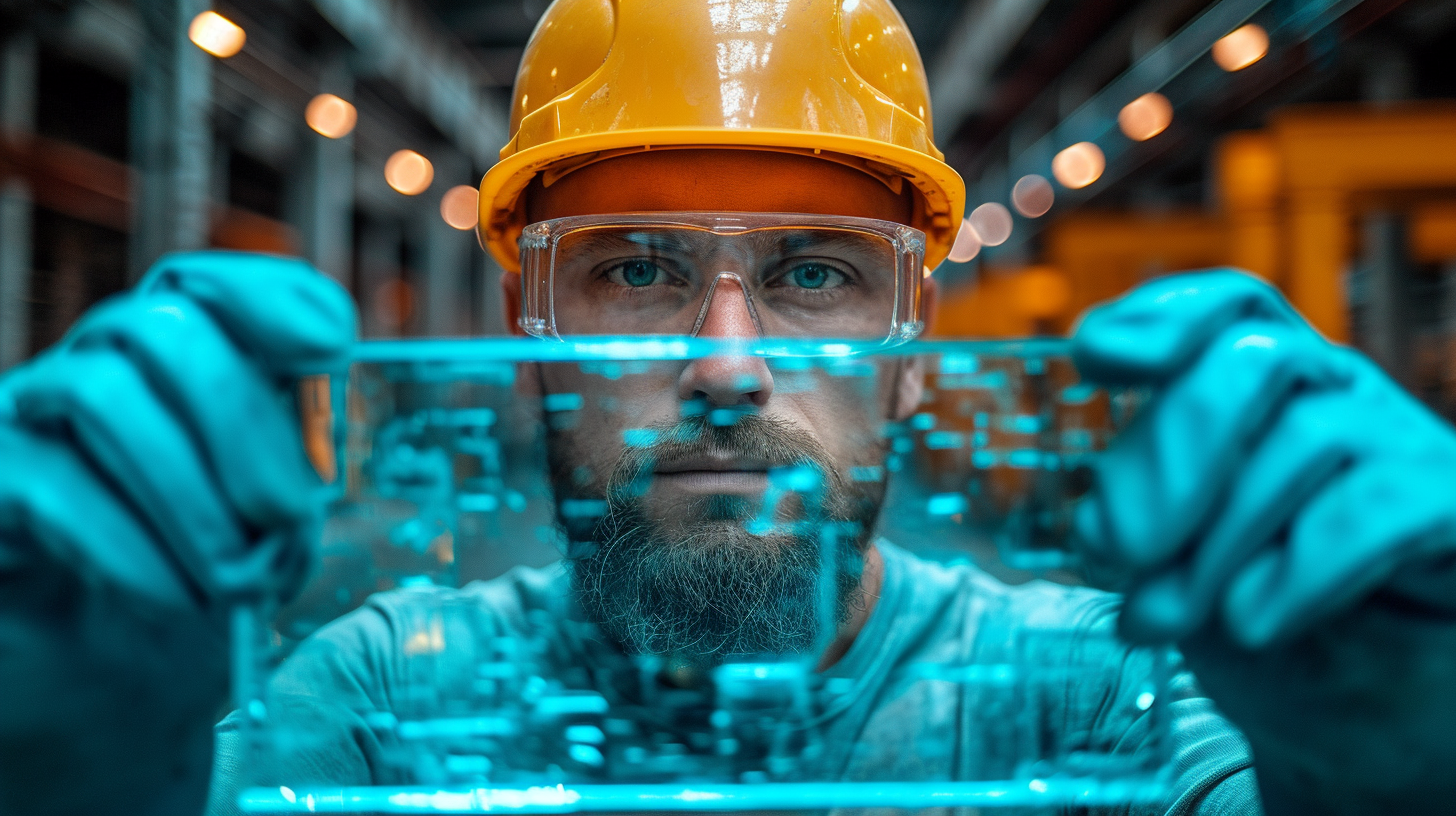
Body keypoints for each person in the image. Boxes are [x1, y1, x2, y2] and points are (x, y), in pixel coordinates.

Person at [3, 1, 1456, 815]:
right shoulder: (381, 707)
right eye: (634, 272)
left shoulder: (1103, 699)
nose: (727, 363)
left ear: (914, 341)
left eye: (817, 274)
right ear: (532, 325)